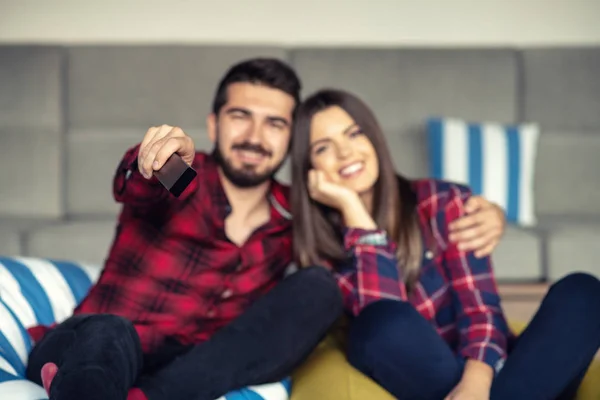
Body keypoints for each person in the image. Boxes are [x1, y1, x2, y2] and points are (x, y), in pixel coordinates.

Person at [24, 59, 506, 400]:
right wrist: (155, 158)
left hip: (190, 368)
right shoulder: (186, 179)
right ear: (214, 125)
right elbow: (142, 181)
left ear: (290, 140)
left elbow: (376, 257)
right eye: (241, 117)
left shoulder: (296, 215)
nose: (256, 137)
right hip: (98, 344)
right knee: (110, 334)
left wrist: (489, 213)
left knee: (318, 289)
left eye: (275, 123)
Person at [289, 88, 600, 400]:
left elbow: (480, 308)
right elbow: (385, 323)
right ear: (309, 169)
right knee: (382, 322)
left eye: (354, 134)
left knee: (584, 291)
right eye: (323, 148)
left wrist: (476, 384)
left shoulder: (441, 201)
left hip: (496, 372)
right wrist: (354, 212)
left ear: (373, 137)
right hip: (425, 377)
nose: (345, 153)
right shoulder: (322, 254)